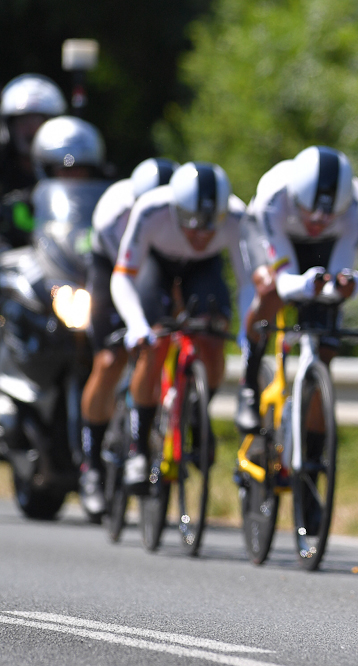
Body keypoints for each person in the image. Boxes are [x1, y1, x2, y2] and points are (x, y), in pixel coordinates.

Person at [111, 161, 250, 490]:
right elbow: (123, 275)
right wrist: (136, 325)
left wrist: (245, 330)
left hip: (204, 269)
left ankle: (199, 414)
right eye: (192, 225)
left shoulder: (237, 216)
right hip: (157, 265)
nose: (201, 235)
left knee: (214, 335)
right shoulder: (151, 210)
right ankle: (138, 447)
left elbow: (247, 283)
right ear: (176, 210)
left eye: (209, 226)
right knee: (154, 343)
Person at [234, 146, 358, 435]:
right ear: (295, 198)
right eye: (310, 212)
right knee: (269, 290)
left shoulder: (355, 201)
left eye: (328, 216)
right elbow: (284, 278)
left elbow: (342, 270)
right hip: (273, 243)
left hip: (320, 250)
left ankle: (314, 446)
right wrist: (307, 284)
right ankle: (249, 383)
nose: (318, 221)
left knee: (326, 346)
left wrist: (342, 285)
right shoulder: (274, 195)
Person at [78, 158, 178, 515]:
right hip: (112, 266)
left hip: (158, 265)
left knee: (162, 335)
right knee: (108, 359)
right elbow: (121, 272)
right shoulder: (111, 213)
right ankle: (90, 467)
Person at [0, 75, 68, 248]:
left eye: (37, 120)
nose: (30, 129)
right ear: (8, 128)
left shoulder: (69, 168)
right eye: (22, 121)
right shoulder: (3, 171)